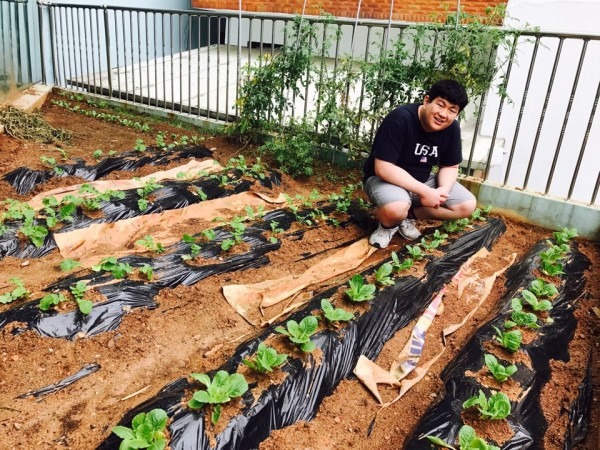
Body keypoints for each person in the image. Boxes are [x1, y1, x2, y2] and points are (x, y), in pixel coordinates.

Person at [363, 79, 477, 249]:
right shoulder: (400, 119)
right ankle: (387, 225)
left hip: (421, 180)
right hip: (384, 179)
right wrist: (425, 191)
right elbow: (383, 168)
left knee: (466, 205)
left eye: (452, 110)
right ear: (426, 100)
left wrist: (441, 192)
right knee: (395, 208)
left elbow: (450, 166)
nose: (443, 114)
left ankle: (408, 216)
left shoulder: (452, 128)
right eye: (440, 104)